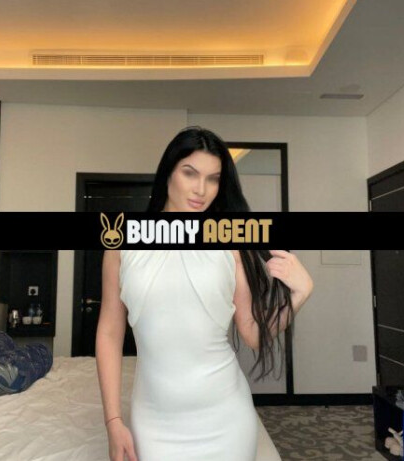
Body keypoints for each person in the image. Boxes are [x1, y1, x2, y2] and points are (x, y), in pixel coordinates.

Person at [96, 126, 314, 461]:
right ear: (168, 173)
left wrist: (299, 295)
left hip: (226, 418)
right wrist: (113, 421)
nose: (201, 190)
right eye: (190, 173)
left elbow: (253, 333)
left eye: (213, 179)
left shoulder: (230, 244)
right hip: (153, 422)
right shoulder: (122, 243)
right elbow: (110, 333)